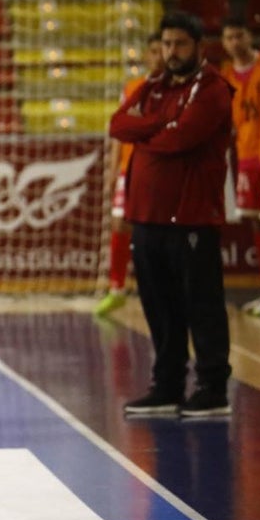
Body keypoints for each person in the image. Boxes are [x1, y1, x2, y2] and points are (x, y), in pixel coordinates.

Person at [109, 12, 233, 419]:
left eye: (180, 44)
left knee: (201, 305)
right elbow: (118, 124)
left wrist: (147, 132)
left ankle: (213, 388)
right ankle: (167, 386)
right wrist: (158, 123)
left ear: (199, 47)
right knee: (158, 307)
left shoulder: (213, 89)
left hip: (192, 219)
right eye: (166, 44)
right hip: (147, 218)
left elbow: (180, 139)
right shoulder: (153, 86)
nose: (171, 52)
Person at [95, 31, 165, 317]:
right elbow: (118, 131)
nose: (160, 56)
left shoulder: (177, 90)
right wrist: (112, 169)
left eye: (164, 50)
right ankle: (116, 288)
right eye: (155, 51)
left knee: (157, 230)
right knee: (120, 222)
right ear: (147, 55)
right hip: (130, 167)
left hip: (160, 170)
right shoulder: (134, 88)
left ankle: (162, 289)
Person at [219, 17, 260, 318]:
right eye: (229, 37)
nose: (235, 42)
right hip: (246, 157)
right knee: (257, 222)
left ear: (250, 36)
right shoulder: (226, 78)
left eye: (239, 35)